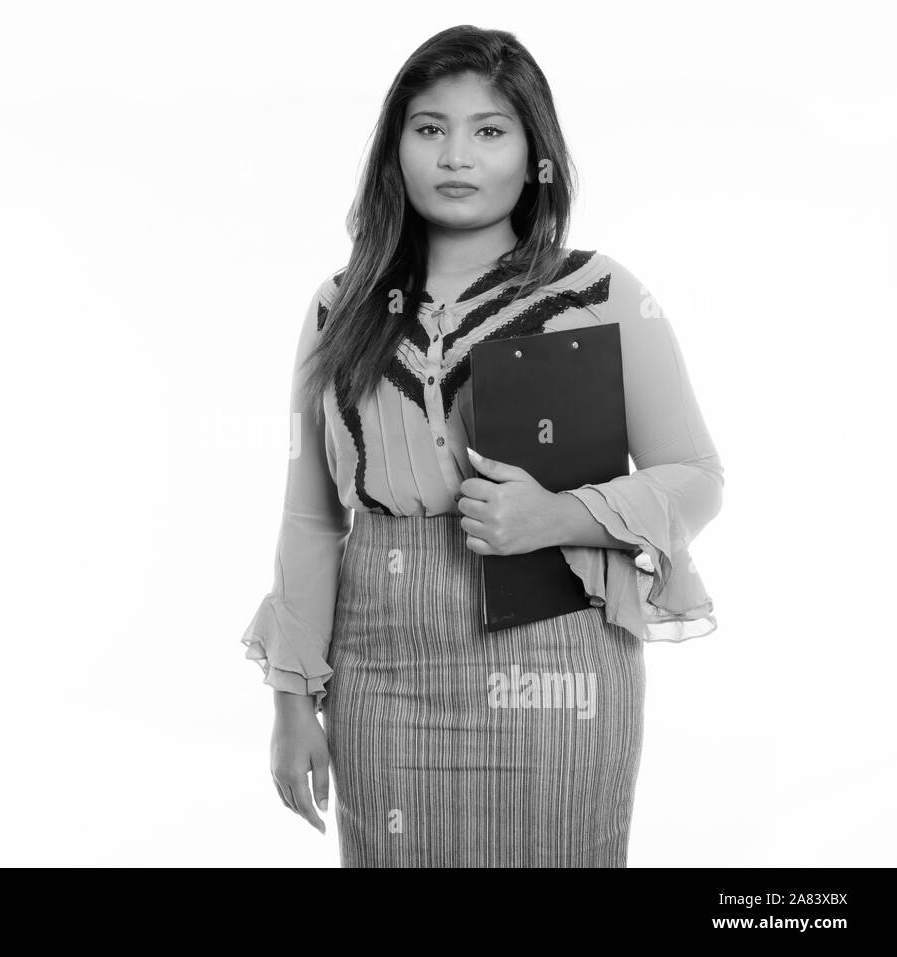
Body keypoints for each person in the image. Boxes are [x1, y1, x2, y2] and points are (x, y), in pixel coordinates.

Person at [240, 25, 724, 867]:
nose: (456, 155)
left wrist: (555, 516)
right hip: (382, 675)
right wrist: (289, 702)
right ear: (396, 148)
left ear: (535, 151)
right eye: (430, 128)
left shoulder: (601, 292)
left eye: (490, 130)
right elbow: (311, 518)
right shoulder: (339, 308)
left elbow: (699, 479)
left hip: (558, 670)